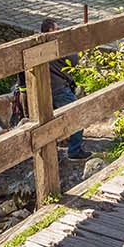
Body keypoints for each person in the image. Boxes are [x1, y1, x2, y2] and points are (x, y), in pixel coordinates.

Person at [35, 17, 88, 160]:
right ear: (51, 30)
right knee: (77, 115)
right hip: (59, 88)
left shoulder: (36, 43)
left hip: (43, 90)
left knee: (50, 121)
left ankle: (53, 149)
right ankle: (74, 151)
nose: (60, 31)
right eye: (57, 29)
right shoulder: (56, 44)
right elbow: (74, 60)